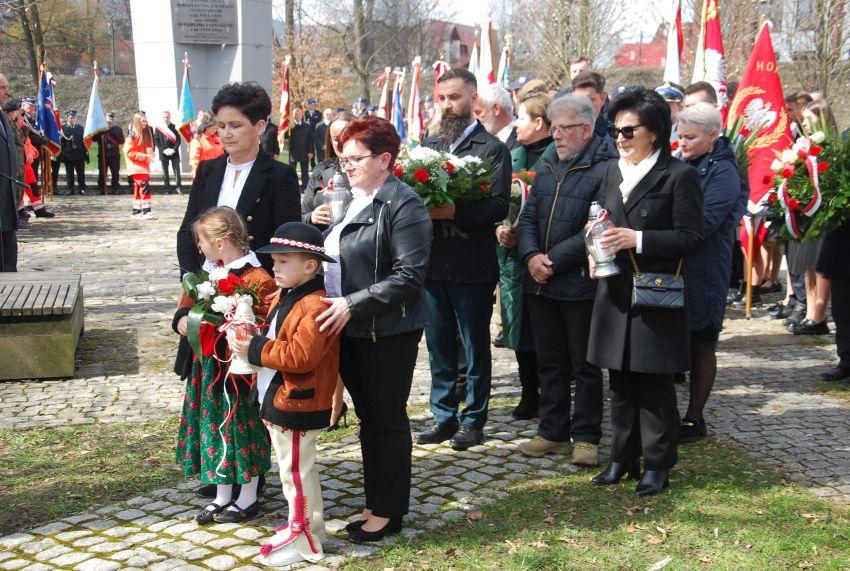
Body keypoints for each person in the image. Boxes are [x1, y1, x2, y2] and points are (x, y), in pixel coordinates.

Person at [314, 116, 432, 542]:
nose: (346, 166)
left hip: (387, 330)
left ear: (384, 159)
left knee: (386, 419)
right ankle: (374, 501)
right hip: (348, 325)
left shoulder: (404, 204)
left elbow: (409, 276)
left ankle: (389, 509)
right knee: (369, 418)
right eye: (343, 158)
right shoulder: (352, 199)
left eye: (355, 158)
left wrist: (352, 303)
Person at [587, 87, 703, 496]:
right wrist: (593, 244)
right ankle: (622, 457)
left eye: (628, 130)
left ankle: (657, 463)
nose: (620, 138)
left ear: (653, 131)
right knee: (619, 381)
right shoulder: (612, 171)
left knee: (653, 384)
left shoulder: (679, 175)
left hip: (655, 293)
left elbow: (691, 238)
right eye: (615, 131)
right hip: (615, 291)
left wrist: (638, 238)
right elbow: (599, 218)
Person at [226, 222, 340, 565]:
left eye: (283, 261)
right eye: (274, 261)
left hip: (297, 402)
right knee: (293, 471)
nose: (274, 267)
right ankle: (307, 527)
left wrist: (254, 347)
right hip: (280, 396)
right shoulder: (288, 295)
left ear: (310, 266)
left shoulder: (314, 305)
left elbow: (301, 357)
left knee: (296, 474)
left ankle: (304, 540)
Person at [516, 93, 616, 464]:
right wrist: (530, 256)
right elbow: (528, 217)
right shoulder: (548, 165)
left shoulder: (606, 167)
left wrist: (553, 261)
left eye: (564, 128)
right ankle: (552, 430)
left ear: (586, 129)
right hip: (541, 282)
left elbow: (598, 225)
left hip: (579, 283)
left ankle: (587, 436)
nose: (556, 135)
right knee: (550, 361)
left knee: (584, 365)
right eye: (553, 127)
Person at [416, 68, 511, 450]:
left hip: (472, 265)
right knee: (438, 344)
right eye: (441, 98)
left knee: (474, 345)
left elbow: (498, 205)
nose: (447, 105)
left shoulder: (492, 149)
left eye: (454, 97)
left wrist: (454, 211)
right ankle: (443, 415)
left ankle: (474, 419)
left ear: (473, 100)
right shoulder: (429, 145)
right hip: (433, 263)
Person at [173, 207, 276, 525]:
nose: (198, 247)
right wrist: (185, 320)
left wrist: (238, 325)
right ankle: (221, 493)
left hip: (239, 370)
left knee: (241, 426)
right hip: (208, 367)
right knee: (214, 426)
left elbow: (267, 320)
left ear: (220, 243)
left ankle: (248, 495)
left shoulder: (257, 277)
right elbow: (187, 306)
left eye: (201, 241)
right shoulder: (207, 274)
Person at [177, 81, 301, 279]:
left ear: (259, 126)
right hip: (206, 282)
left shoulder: (279, 175)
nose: (226, 134)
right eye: (221, 126)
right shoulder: (207, 170)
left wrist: (266, 286)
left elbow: (286, 240)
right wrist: (191, 281)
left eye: (235, 126)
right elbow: (187, 231)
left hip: (257, 285)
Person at [676, 102, 746, 443]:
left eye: (690, 137)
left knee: (702, 341)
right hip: (679, 263)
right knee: (680, 338)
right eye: (680, 136)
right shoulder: (683, 162)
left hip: (706, 266)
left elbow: (703, 222)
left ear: (713, 136)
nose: (682, 143)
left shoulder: (724, 172)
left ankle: (694, 417)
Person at [495, 93, 554, 422]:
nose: (516, 124)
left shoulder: (554, 155)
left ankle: (551, 393)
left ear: (539, 122)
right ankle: (529, 390)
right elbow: (496, 200)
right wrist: (499, 228)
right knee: (517, 327)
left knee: (543, 330)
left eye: (521, 117)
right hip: (512, 257)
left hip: (543, 253)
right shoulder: (511, 154)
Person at [302, 111, 353, 228]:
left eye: (347, 137)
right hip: (323, 236)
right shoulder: (321, 170)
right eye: (336, 139)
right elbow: (303, 213)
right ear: (330, 141)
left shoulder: (369, 171)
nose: (341, 143)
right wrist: (311, 217)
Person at [0, 73, 19, 271]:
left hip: (7, 191)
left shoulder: (3, 118)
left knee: (9, 257)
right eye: (2, 88)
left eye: (7, 87)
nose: (8, 92)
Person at [123, 112, 155, 219]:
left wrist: (150, 155)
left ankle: (136, 211)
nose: (145, 123)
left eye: (146, 121)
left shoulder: (145, 133)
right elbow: (127, 151)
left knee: (138, 189)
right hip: (136, 166)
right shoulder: (132, 135)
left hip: (143, 166)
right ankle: (146, 211)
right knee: (144, 187)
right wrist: (143, 156)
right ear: (137, 122)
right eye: (143, 121)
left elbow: (148, 148)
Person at [474, 84, 519, 150]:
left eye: (478, 112)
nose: (475, 118)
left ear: (496, 109)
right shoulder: (481, 143)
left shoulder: (524, 140)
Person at [572, 71, 611, 142]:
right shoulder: (563, 129)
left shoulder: (613, 133)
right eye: (578, 100)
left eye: (589, 100)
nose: (583, 105)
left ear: (602, 99)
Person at [59, 109, 88, 195]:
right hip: (68, 155)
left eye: (74, 118)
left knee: (81, 173)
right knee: (69, 173)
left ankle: (82, 188)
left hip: (79, 154)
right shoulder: (63, 128)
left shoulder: (80, 128)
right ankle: (70, 189)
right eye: (71, 117)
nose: (72, 119)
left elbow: (84, 142)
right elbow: (62, 143)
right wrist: (62, 154)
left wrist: (85, 154)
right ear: (67, 118)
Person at [95, 113, 125, 195]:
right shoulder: (101, 129)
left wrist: (113, 134)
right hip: (103, 154)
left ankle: (115, 188)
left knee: (115, 173)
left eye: (111, 119)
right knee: (102, 173)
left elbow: (122, 141)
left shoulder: (117, 129)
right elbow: (94, 139)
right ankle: (101, 189)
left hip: (114, 155)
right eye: (108, 119)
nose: (110, 121)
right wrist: (99, 131)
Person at [154, 110, 182, 195]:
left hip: (174, 152)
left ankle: (178, 188)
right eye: (164, 117)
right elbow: (156, 141)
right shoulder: (158, 128)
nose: (166, 118)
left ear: (170, 117)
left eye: (167, 117)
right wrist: (163, 150)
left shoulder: (175, 127)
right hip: (163, 153)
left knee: (177, 171)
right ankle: (167, 189)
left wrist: (174, 149)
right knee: (165, 172)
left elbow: (178, 140)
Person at [288, 107, 312, 191]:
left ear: (302, 115)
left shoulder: (307, 126)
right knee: (292, 171)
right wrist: (287, 128)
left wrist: (310, 151)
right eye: (296, 114)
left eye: (299, 114)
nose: (297, 116)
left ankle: (305, 188)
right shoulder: (290, 127)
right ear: (293, 115)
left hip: (304, 152)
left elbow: (310, 140)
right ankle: (292, 188)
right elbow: (286, 138)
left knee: (304, 171)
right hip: (293, 152)